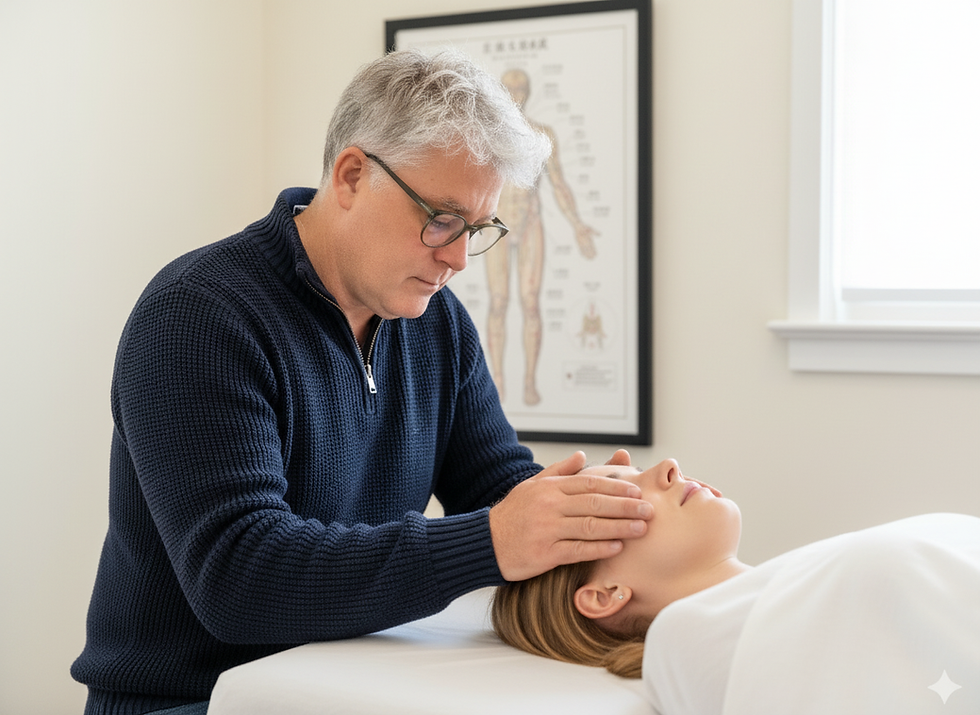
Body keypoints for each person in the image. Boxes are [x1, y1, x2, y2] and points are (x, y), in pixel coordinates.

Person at [71, 49, 654, 715]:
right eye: (440, 217)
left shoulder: (438, 324)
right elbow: (240, 578)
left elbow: (499, 489)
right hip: (188, 701)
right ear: (351, 176)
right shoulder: (198, 315)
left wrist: (608, 522)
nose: (460, 257)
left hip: (335, 683)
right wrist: (494, 538)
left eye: (477, 228)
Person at [492, 460, 980, 714]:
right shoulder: (687, 641)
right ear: (605, 593)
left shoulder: (801, 586)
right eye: (619, 490)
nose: (667, 467)